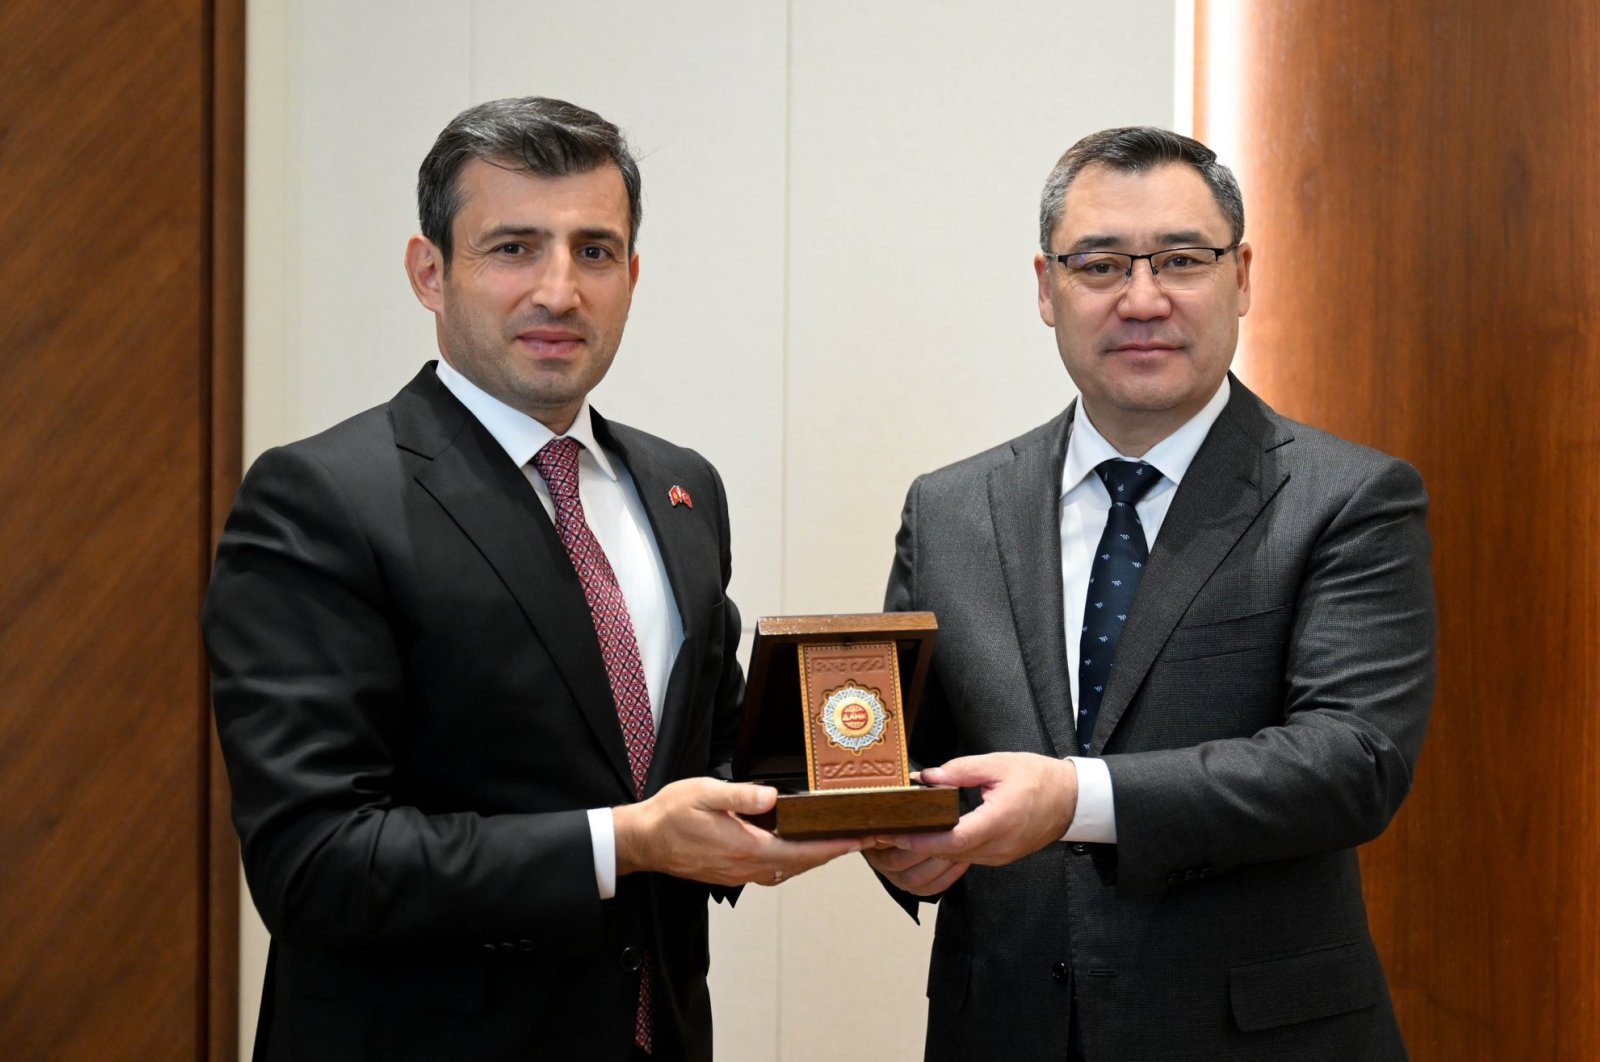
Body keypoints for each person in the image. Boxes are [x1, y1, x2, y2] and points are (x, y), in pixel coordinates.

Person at [204, 97, 860, 1062]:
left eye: (595, 252)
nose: (560, 290)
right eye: (514, 248)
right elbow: (318, 864)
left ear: (633, 277)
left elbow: (704, 756)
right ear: (430, 273)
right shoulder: (323, 497)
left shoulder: (682, 487)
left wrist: (868, 794)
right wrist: (624, 841)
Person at [865, 127, 1435, 1061]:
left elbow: (1351, 762)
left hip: (1254, 1037)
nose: (1142, 298)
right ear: (1046, 289)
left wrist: (1072, 797)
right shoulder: (950, 509)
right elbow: (911, 757)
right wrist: (906, 847)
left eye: (1180, 259)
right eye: (1099, 265)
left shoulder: (1350, 499)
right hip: (1002, 1027)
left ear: (1241, 276)